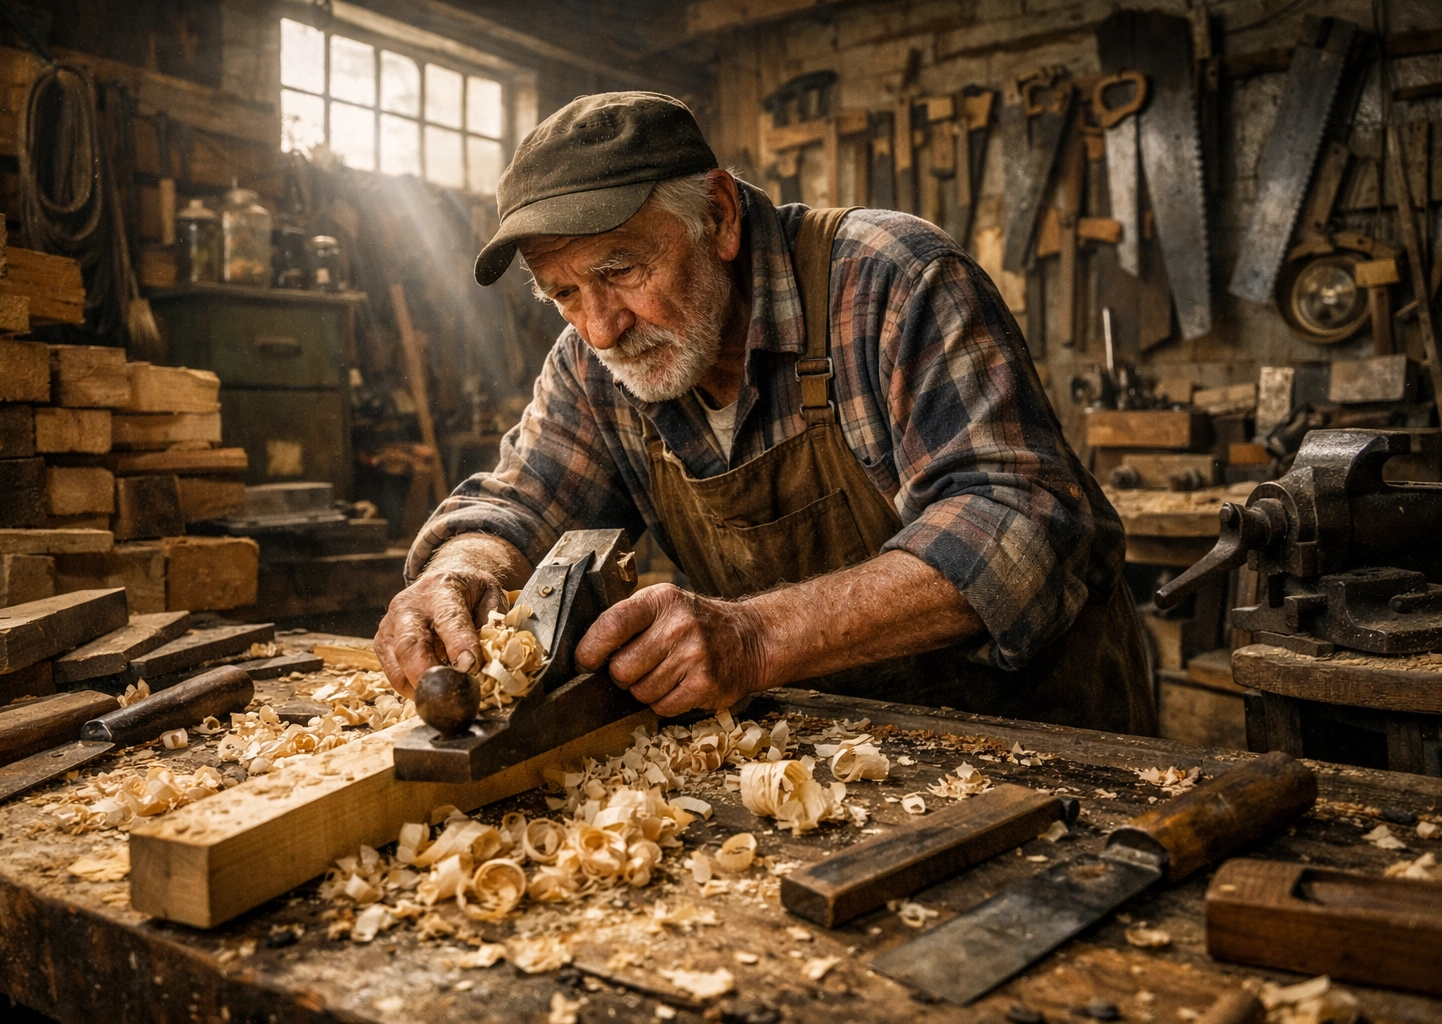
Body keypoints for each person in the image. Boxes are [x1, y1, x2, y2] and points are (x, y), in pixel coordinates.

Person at [375, 91, 1155, 735]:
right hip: (818, 750)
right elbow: (518, 502)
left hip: (1035, 738)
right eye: (565, 294)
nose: (602, 325)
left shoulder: (891, 278)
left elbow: (1022, 521)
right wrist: (459, 573)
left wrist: (755, 636)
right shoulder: (594, 365)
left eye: (622, 269)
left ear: (717, 215)